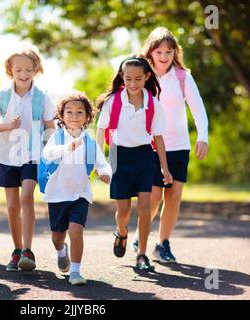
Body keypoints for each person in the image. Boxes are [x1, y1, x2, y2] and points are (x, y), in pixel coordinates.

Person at [131, 27, 209, 263]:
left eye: (168, 51)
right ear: (150, 53)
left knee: (173, 196)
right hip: (150, 145)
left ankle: (162, 244)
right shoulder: (142, 76)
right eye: (159, 51)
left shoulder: (183, 76)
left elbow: (197, 108)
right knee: (153, 197)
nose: (164, 56)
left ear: (175, 52)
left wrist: (203, 136)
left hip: (179, 146)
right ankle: (139, 235)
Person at [96, 57, 173, 272]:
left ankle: (141, 255)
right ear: (122, 77)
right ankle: (121, 233)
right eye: (128, 78)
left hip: (145, 157)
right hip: (119, 157)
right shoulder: (113, 101)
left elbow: (158, 138)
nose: (133, 83)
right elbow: (101, 131)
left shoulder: (153, 103)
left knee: (146, 206)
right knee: (123, 212)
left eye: (138, 78)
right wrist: (98, 160)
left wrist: (164, 168)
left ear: (147, 77)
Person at [0, 46, 55, 272]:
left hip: (33, 156)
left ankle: (28, 250)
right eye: (19, 69)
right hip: (6, 156)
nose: (24, 73)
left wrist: (50, 151)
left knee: (27, 197)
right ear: (10, 71)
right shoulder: (3, 95)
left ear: (36, 70)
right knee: (11, 205)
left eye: (28, 69)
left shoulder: (43, 97)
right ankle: (17, 251)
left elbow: (50, 127)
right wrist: (8, 126)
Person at [40, 92, 112, 285]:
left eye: (79, 112)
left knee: (76, 231)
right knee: (57, 237)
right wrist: (66, 148)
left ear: (87, 117)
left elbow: (102, 162)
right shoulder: (57, 136)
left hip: (80, 194)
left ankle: (76, 271)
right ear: (62, 116)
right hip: (57, 194)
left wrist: (105, 173)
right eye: (69, 111)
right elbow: (47, 154)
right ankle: (61, 251)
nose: (74, 115)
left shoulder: (89, 141)